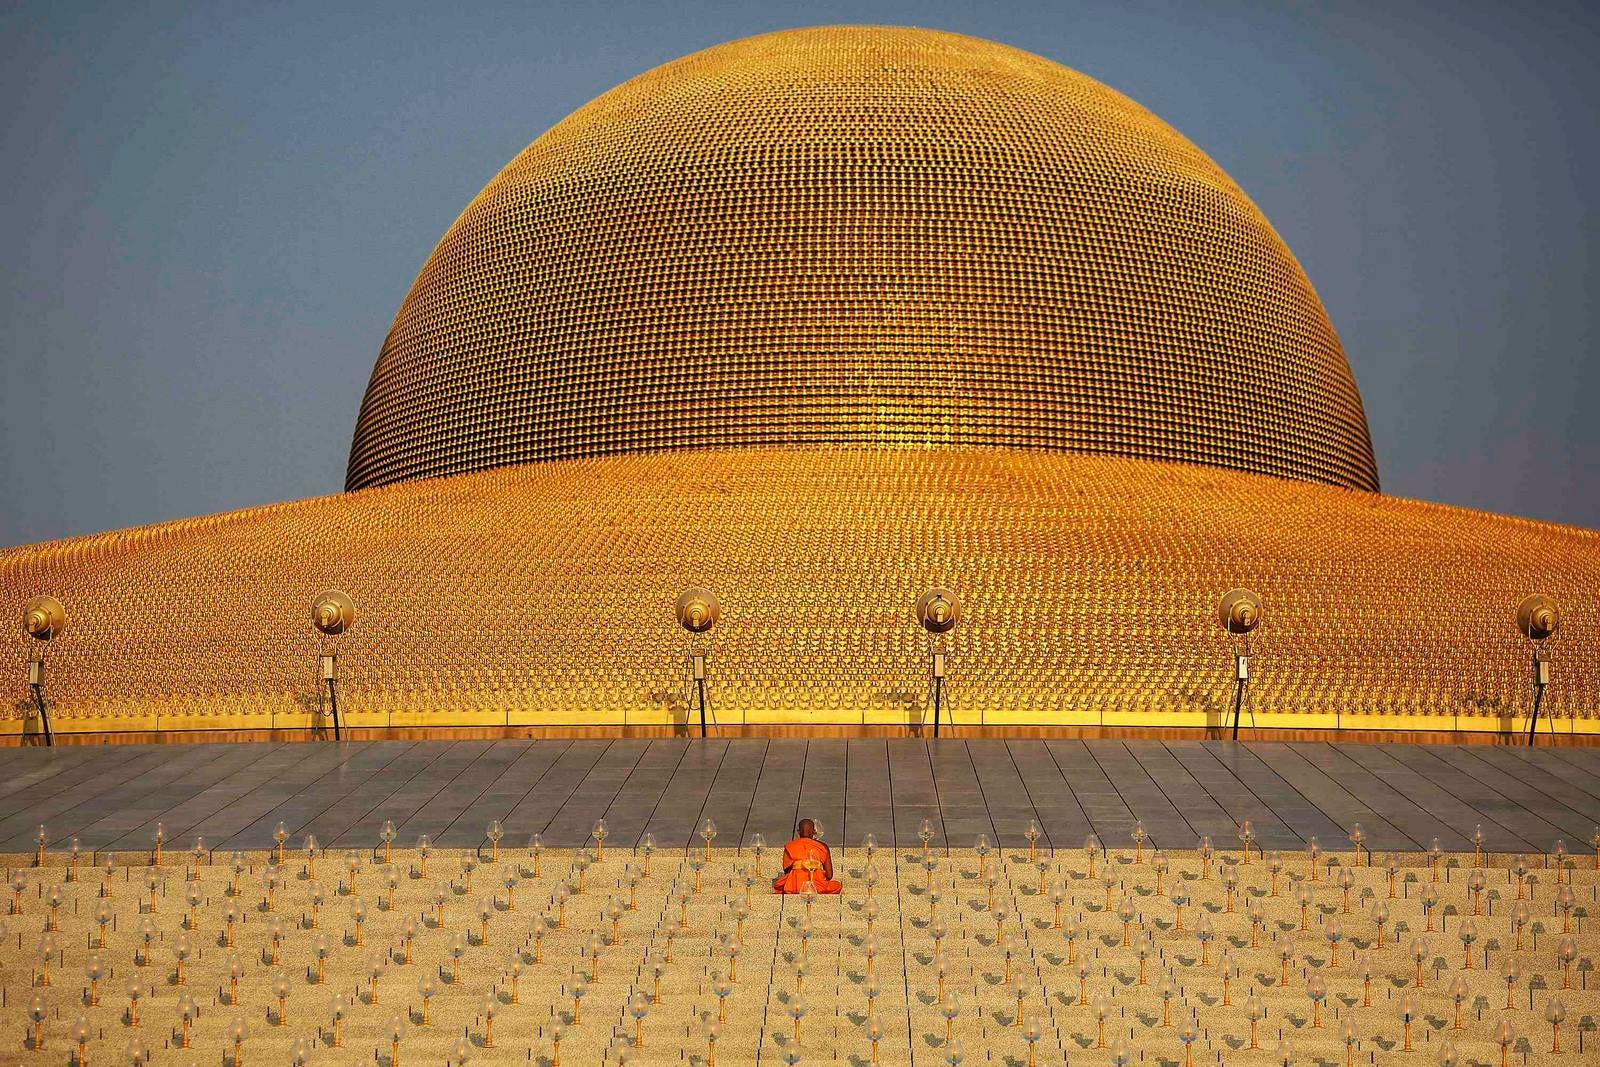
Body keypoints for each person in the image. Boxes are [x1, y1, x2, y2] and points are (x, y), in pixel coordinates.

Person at [773, 818, 842, 894]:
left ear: (798, 832)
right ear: (814, 831)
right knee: (837, 885)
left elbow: (786, 871)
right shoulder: (823, 846)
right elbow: (829, 875)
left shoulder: (790, 846)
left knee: (781, 884)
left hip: (795, 886)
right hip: (817, 886)